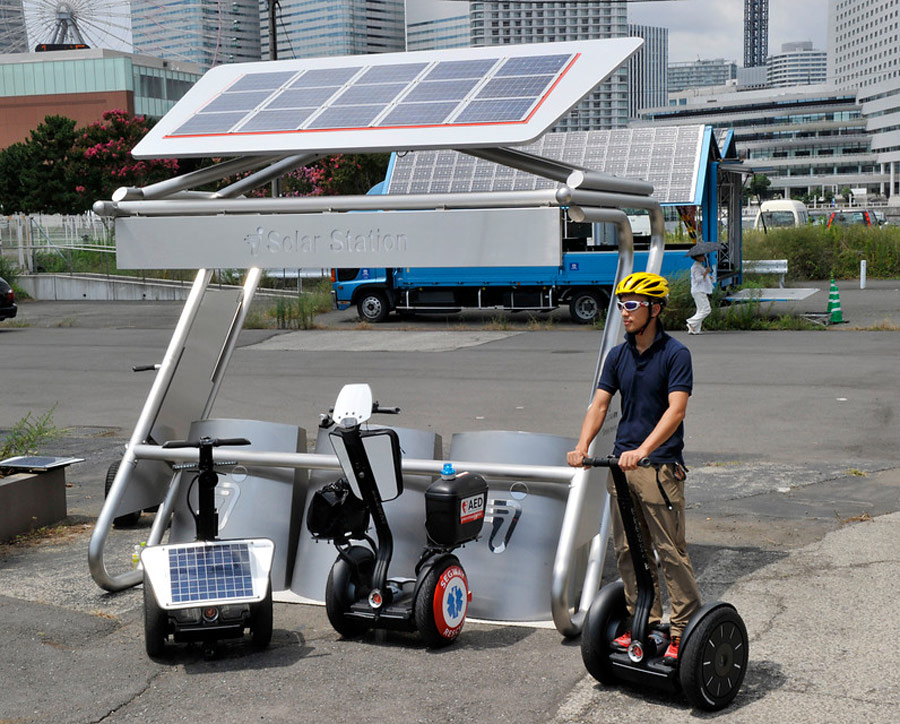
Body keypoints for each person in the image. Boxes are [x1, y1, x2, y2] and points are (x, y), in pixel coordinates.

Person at [566, 271, 700, 666]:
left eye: (631, 305)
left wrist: (643, 449)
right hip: (621, 467)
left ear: (654, 309)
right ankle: (646, 621)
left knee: (669, 552)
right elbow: (601, 404)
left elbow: (676, 410)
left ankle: (683, 630)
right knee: (628, 550)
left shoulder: (676, 354)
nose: (623, 313)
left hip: (659, 470)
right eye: (621, 305)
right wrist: (581, 445)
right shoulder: (618, 355)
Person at [686, 252, 715, 334]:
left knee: (700, 310)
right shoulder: (695, 267)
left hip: (699, 290)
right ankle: (691, 322)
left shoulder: (699, 266)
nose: (704, 257)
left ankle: (694, 330)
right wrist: (706, 272)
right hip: (699, 291)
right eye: (702, 256)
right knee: (706, 310)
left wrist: (708, 275)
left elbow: (703, 278)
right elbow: (698, 279)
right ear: (697, 257)